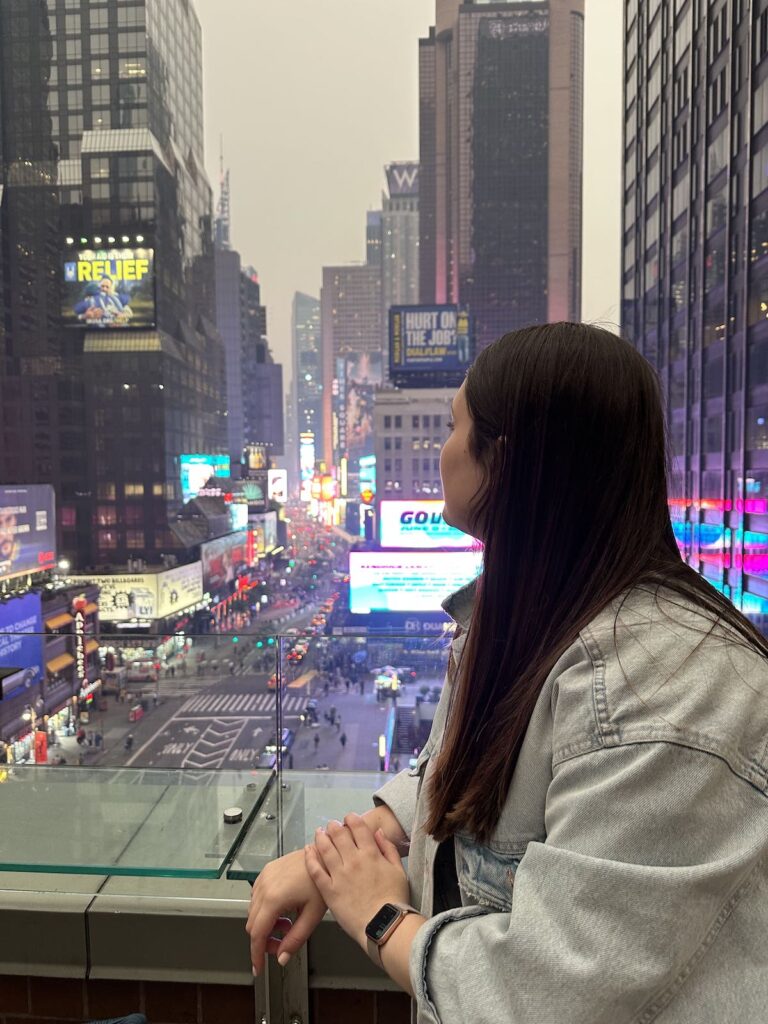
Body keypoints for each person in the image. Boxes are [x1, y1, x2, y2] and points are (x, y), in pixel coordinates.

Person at [245, 323, 768, 1021]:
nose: (440, 452)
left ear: (505, 461)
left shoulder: (666, 688)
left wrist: (376, 914)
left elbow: (550, 990)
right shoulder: (526, 615)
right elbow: (455, 769)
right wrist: (349, 848)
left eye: (454, 426)